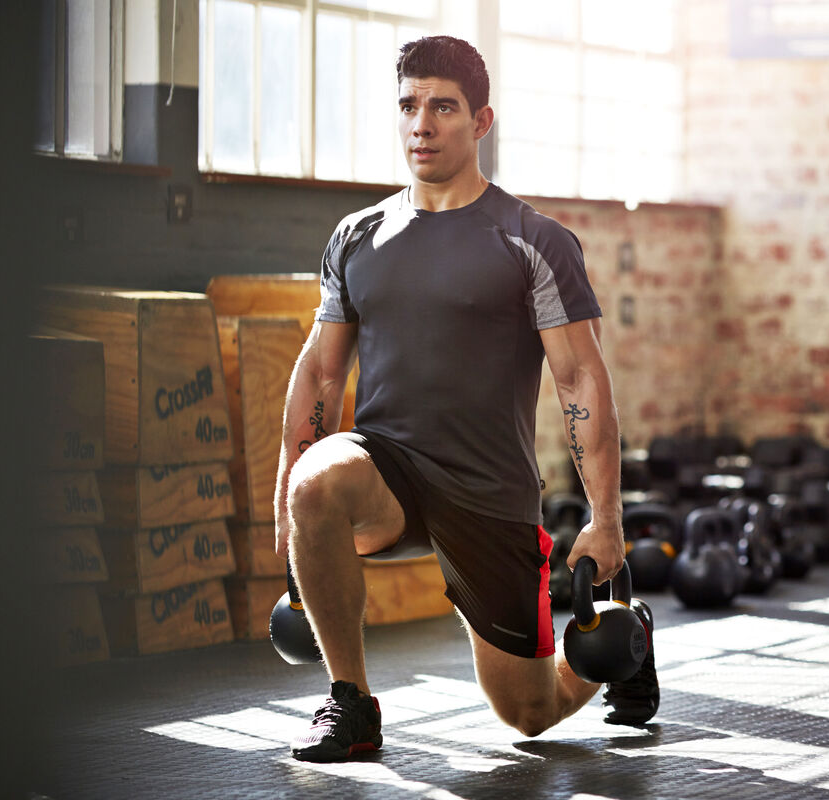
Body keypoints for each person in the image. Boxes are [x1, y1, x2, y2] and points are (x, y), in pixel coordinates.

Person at [274, 35, 659, 763]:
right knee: (318, 485)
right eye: (409, 105)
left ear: (481, 122)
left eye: (443, 107)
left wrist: (606, 521)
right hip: (387, 468)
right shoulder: (357, 236)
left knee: (528, 716)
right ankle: (350, 703)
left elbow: (581, 381)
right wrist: (284, 496)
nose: (422, 122)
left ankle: (625, 642)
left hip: (487, 491)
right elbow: (321, 377)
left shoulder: (532, 239)